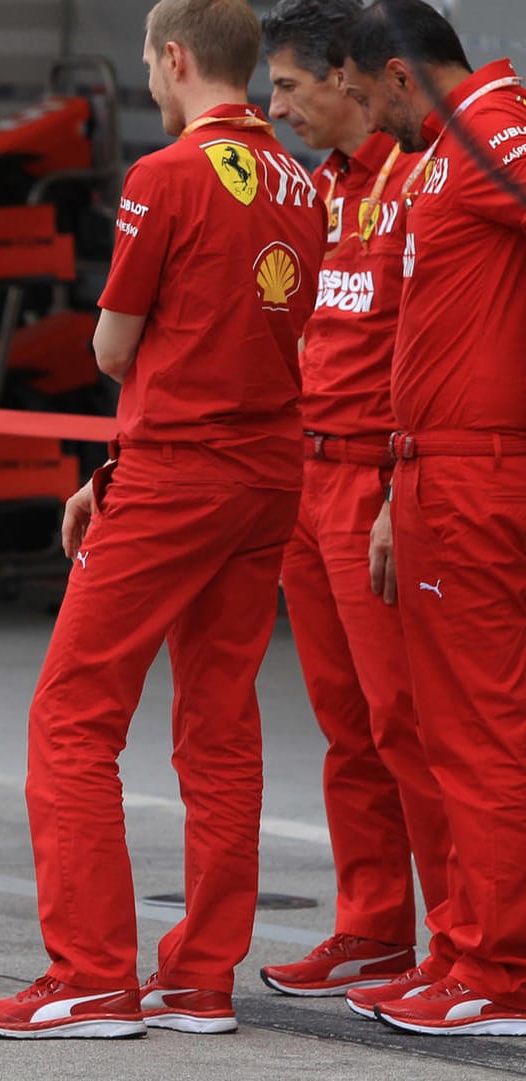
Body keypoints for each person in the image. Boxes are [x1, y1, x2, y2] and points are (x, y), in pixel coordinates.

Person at [0, 0, 323, 1039]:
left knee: (72, 715)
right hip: (267, 472)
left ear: (173, 61)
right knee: (219, 724)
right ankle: (202, 976)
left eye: (150, 68)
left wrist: (133, 448)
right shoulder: (305, 182)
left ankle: (87, 971)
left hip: (177, 473)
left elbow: (115, 349)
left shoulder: (161, 176)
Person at [255, 0, 457, 1010]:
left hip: (380, 480)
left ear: (349, 76)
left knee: (407, 720)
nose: (277, 106)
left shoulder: (426, 179)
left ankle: (464, 941)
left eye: (289, 85)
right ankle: (375, 928)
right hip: (306, 474)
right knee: (345, 724)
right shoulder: (317, 192)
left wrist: (390, 488)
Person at [341, 0, 526, 1037]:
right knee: (451, 734)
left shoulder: (496, 127)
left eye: (368, 99)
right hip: (432, 469)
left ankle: (504, 970)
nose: (369, 124)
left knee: (485, 733)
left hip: (480, 471)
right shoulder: (454, 151)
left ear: (403, 78)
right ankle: (466, 948)